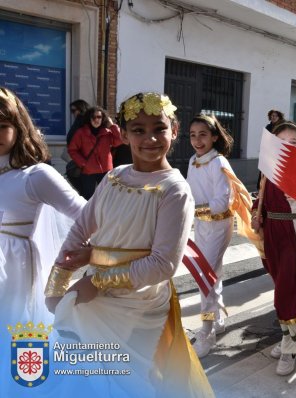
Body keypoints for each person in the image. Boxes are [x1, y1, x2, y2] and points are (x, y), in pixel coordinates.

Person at [44, 92, 214, 397]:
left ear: (174, 131)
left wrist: (95, 280)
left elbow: (163, 265)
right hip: (93, 301)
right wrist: (57, 282)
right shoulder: (113, 178)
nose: (150, 138)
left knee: (133, 384)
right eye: (138, 130)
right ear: (122, 135)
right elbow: (81, 228)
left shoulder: (173, 190)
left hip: (139, 306)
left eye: (159, 129)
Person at [0, 87, 86, 396]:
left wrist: (90, 255)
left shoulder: (35, 176)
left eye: (2, 125)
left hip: (15, 272)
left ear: (18, 125)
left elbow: (84, 214)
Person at [251, 122, 296, 376]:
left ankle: (292, 347)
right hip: (273, 232)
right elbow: (261, 198)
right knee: (281, 286)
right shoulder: (268, 169)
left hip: (294, 231)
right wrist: (257, 212)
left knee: (288, 290)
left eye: (293, 142)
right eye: (281, 141)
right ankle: (292, 337)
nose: (288, 146)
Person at [186, 114, 246, 358]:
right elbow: (190, 194)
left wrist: (193, 208)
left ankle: (207, 330)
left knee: (205, 279)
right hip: (200, 226)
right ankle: (218, 319)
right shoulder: (193, 160)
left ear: (214, 136)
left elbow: (222, 203)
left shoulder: (219, 162)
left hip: (219, 227)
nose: (198, 140)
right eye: (192, 135)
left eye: (203, 134)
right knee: (213, 274)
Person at [68, 106, 123, 199]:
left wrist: (112, 125)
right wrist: (83, 163)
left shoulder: (107, 132)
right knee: (88, 197)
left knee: (106, 197)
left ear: (103, 118)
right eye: (93, 117)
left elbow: (120, 140)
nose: (96, 120)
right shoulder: (81, 133)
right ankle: (88, 214)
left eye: (99, 117)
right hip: (88, 171)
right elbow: (72, 150)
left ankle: (103, 213)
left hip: (105, 170)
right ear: (89, 118)